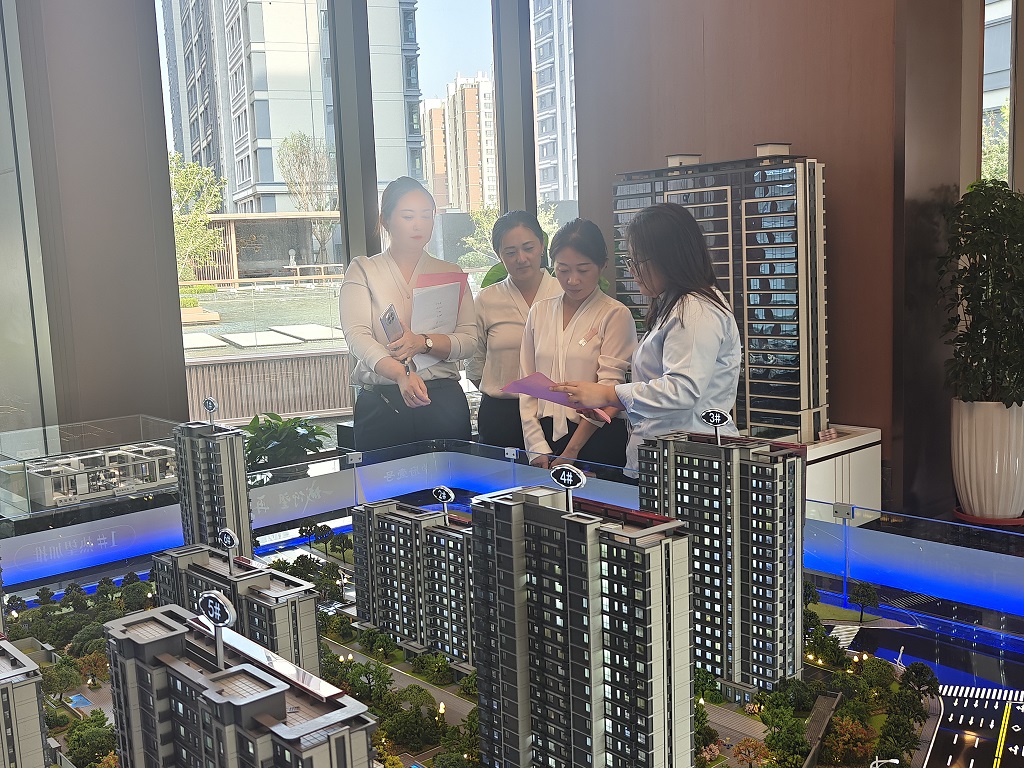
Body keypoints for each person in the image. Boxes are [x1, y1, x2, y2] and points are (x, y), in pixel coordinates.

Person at [553, 202, 742, 472]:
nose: (632, 270)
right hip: (667, 455)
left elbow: (682, 391)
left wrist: (608, 393)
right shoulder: (675, 303)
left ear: (668, 258)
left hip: (688, 460)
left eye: (637, 261)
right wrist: (611, 402)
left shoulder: (694, 309)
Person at [339, 176, 477, 452]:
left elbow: (469, 340)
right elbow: (357, 336)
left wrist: (423, 342)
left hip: (441, 401)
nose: (418, 225)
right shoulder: (364, 270)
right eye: (408, 216)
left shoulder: (450, 272)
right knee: (384, 480)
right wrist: (400, 374)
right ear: (386, 220)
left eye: (426, 215)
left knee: (450, 478)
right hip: (383, 404)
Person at [520, 218, 637, 469]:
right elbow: (527, 382)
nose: (573, 280)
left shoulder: (614, 314)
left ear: (602, 266)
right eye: (563, 270)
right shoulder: (539, 311)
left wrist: (571, 451)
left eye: (583, 270)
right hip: (544, 436)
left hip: (595, 437)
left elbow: (609, 388)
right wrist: (535, 445)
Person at [467, 211, 562, 448]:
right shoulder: (487, 300)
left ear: (542, 246)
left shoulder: (563, 293)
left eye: (528, 248)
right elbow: (475, 363)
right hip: (502, 416)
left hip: (555, 411)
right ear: (499, 255)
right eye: (510, 252)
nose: (521, 258)